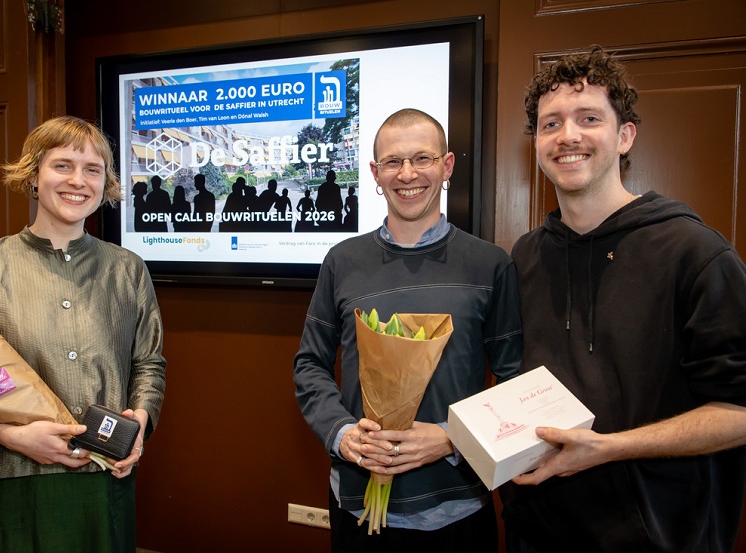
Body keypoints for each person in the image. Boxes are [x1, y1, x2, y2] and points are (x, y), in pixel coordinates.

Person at [500, 46, 746, 552]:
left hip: (662, 535)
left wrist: (609, 449)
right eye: (551, 124)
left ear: (624, 135)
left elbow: (739, 412)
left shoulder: (695, 253)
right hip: (540, 531)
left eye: (589, 118)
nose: (568, 136)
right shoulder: (525, 256)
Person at [0, 115, 167, 552]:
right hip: (8, 480)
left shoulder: (128, 269)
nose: (78, 181)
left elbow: (148, 364)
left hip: (101, 478)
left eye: (92, 169)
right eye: (62, 165)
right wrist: (8, 436)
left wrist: (140, 420)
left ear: (106, 183)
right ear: (34, 174)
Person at [294, 108, 522, 551]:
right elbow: (309, 365)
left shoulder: (490, 264)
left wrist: (452, 438)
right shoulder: (342, 261)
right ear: (375, 174)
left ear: (447, 165)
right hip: (356, 504)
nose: (408, 174)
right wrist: (343, 435)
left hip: (457, 507)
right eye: (393, 162)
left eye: (423, 158)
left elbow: (515, 380)